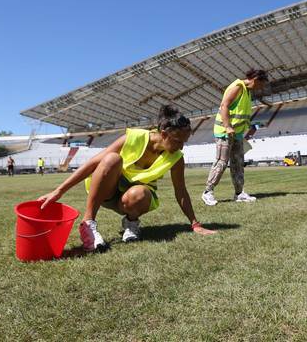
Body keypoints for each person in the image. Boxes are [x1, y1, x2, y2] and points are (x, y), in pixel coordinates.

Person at [38, 105, 216, 252]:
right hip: (105, 191)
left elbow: (181, 191)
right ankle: (88, 224)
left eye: (184, 141)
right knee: (111, 159)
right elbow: (94, 163)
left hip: (129, 199)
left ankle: (131, 223)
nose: (181, 146)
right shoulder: (133, 138)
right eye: (177, 140)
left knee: (141, 193)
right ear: (163, 134)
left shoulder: (176, 157)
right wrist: (59, 191)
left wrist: (195, 224)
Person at [201, 69, 269, 206]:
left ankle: (239, 193)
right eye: (261, 84)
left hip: (237, 133)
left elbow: (240, 112)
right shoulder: (237, 87)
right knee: (221, 162)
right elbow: (224, 106)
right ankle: (207, 192)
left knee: (238, 163)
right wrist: (228, 127)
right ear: (255, 80)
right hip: (225, 132)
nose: (261, 88)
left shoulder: (248, 92)